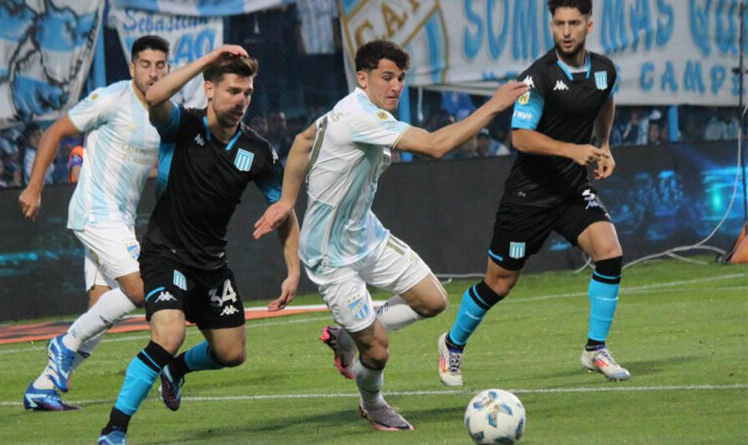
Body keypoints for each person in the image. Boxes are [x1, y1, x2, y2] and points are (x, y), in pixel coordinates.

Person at [253, 39, 526, 431]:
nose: (395, 86)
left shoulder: (349, 109)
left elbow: (302, 142)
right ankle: (373, 403)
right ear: (363, 78)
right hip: (331, 255)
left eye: (400, 78)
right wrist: (494, 105)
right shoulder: (360, 116)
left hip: (365, 235)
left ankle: (349, 337)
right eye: (386, 77)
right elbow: (435, 146)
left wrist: (288, 199)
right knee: (378, 350)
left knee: (433, 300)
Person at [97, 47, 300, 445]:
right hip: (165, 253)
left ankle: (176, 370)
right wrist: (208, 60)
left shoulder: (258, 151)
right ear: (209, 89)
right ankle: (114, 431)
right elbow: (154, 95)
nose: (241, 100)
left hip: (211, 266)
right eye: (233, 91)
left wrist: (293, 270)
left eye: (247, 93)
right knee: (169, 334)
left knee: (231, 353)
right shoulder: (182, 125)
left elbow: (284, 210)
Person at [437, 0, 630, 388]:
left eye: (574, 23)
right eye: (559, 23)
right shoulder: (537, 77)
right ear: (551, 25)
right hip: (529, 195)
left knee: (610, 252)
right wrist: (573, 150)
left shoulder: (605, 71)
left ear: (589, 25)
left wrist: (604, 144)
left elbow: (605, 100)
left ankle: (595, 349)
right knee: (499, 283)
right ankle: (452, 343)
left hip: (572, 189)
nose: (566, 31)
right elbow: (521, 137)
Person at [19, 35, 171, 411]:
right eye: (146, 65)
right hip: (95, 212)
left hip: (120, 220)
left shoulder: (165, 111)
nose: (153, 73)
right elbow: (55, 132)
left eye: (160, 66)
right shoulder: (112, 98)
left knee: (100, 309)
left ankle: (43, 387)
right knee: (140, 289)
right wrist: (34, 188)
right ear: (132, 68)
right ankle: (64, 344)